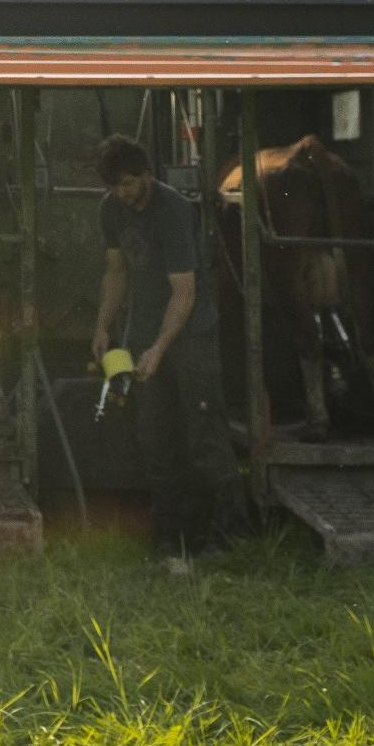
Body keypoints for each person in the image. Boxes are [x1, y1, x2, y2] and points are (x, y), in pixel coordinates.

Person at [90, 132, 210, 554]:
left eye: (126, 184)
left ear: (145, 175)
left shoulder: (173, 210)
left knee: (198, 432)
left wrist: (160, 348)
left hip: (189, 334)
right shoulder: (111, 211)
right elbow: (116, 272)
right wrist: (103, 326)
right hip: (140, 331)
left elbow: (184, 292)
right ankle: (167, 533)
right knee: (153, 432)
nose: (120, 194)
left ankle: (210, 535)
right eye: (113, 187)